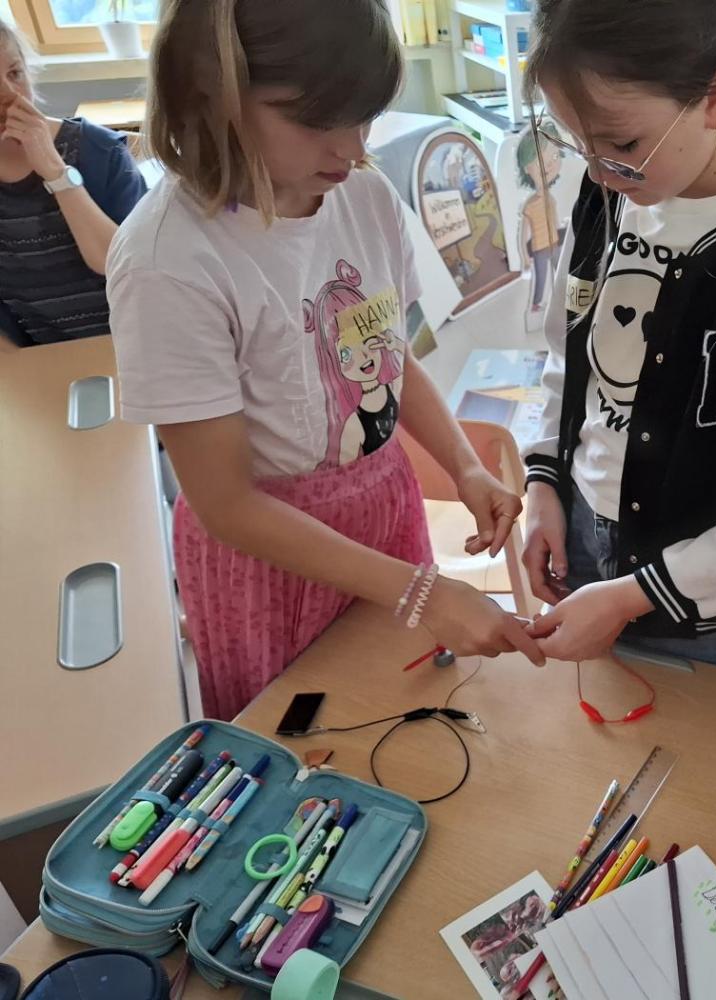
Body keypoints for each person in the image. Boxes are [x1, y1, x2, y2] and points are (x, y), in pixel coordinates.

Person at [109, 0, 542, 721]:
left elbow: (389, 353)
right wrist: (422, 591)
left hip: (382, 512)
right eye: (316, 122)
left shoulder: (363, 194)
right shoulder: (168, 260)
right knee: (302, 739)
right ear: (216, 94)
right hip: (269, 555)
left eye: (364, 118)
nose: (351, 148)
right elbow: (226, 504)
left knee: (401, 715)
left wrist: (465, 466)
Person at [518, 0, 716, 670]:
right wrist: (543, 483)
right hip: (580, 537)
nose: (599, 173)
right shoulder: (609, 187)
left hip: (699, 596)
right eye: (578, 145)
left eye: (622, 147)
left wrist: (636, 595)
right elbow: (567, 356)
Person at [0, 19, 146, 346]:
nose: (8, 95)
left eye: (15, 73)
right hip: (43, 358)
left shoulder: (99, 151)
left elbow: (127, 263)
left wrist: (55, 171)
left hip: (134, 340)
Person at [515, 128, 565, 315]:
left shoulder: (551, 199)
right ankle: (536, 305)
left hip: (555, 244)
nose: (549, 165)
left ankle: (563, 300)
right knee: (541, 278)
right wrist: (524, 258)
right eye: (540, 161)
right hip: (540, 249)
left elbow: (556, 222)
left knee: (561, 273)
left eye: (555, 157)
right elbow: (522, 235)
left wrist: (563, 235)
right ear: (526, 168)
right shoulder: (529, 205)